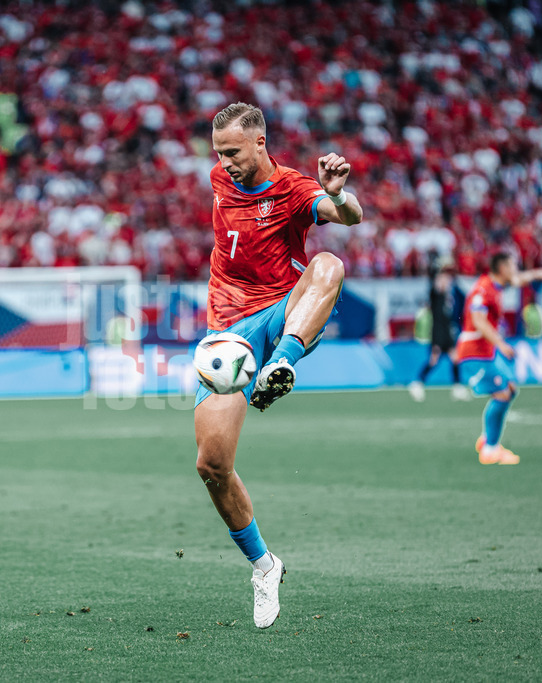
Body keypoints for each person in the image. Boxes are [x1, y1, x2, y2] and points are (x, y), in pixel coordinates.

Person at [194, 103, 363, 628]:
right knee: (211, 465)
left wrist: (335, 192)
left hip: (281, 311)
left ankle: (282, 365)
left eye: (234, 153)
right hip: (226, 333)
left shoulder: (290, 187)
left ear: (261, 143)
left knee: (330, 264)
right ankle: (264, 566)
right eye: (219, 154)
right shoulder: (223, 181)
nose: (225, 163)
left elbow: (350, 217)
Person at [456, 253, 542, 465]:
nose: (515, 269)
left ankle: (488, 439)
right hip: (474, 353)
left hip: (486, 352)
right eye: (513, 265)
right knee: (502, 394)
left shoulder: (497, 285)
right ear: (502, 268)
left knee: (511, 388)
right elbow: (478, 321)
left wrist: (536, 274)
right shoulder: (483, 290)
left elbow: (518, 280)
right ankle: (490, 450)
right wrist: (501, 344)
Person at [408, 258, 470, 402]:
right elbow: (435, 283)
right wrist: (440, 270)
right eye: (443, 279)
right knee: (434, 359)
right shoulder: (435, 294)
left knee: (455, 357)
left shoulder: (450, 295)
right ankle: (418, 382)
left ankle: (457, 387)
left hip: (447, 329)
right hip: (438, 330)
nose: (446, 281)